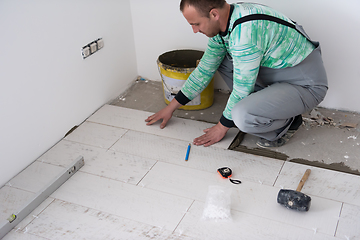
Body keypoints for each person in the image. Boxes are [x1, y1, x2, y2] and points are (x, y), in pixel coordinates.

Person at [145, 0, 328, 148]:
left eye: (196, 24)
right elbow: (204, 70)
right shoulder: (228, 20)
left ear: (214, 14)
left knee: (241, 117)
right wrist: (171, 107)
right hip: (275, 72)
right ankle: (268, 107)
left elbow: (242, 89)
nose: (194, 30)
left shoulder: (245, 34)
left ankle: (287, 123)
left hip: (305, 84)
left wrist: (221, 127)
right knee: (223, 60)